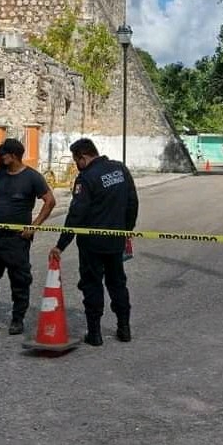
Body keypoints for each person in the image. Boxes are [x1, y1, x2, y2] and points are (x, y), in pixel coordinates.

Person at [49, 138, 139, 346]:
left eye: (76, 161)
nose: (76, 165)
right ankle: (124, 329)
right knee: (117, 284)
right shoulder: (120, 170)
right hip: (116, 240)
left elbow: (76, 215)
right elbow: (132, 202)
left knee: (92, 285)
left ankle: (95, 334)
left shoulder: (86, 178)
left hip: (92, 244)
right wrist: (127, 230)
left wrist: (61, 245)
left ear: (83, 157)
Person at [0, 138, 56, 335]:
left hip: (17, 240)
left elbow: (50, 201)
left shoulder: (32, 177)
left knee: (19, 280)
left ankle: (17, 320)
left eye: (2, 154)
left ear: (13, 156)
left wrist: (33, 227)